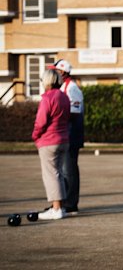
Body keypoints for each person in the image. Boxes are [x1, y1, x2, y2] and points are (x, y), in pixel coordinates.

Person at [32, 69, 70, 220]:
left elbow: (41, 121)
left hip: (49, 140)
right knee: (58, 173)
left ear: (47, 81)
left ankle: (56, 209)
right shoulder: (64, 97)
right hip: (63, 139)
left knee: (50, 175)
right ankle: (60, 206)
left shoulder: (47, 98)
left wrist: (35, 136)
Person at [51, 59, 84, 215]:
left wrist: (55, 117)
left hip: (72, 134)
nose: (53, 73)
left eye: (56, 70)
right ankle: (63, 202)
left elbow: (75, 112)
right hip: (64, 133)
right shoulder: (63, 87)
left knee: (69, 170)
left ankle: (71, 203)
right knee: (62, 170)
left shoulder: (72, 88)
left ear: (62, 72)